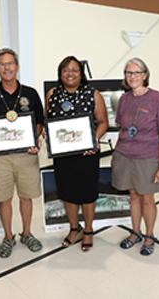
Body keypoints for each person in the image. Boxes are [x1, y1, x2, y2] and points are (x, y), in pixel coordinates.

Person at [0, 48, 44, 258]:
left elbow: (40, 122)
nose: (7, 68)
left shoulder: (30, 93)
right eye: (2, 64)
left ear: (17, 66)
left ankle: (26, 233)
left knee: (26, 197)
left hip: (27, 155)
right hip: (0, 158)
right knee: (3, 199)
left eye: (10, 63)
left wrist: (35, 140)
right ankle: (8, 237)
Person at [45, 56, 108, 251]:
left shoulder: (92, 93)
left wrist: (94, 140)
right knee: (67, 192)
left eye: (75, 70)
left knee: (87, 193)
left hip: (87, 153)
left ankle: (88, 230)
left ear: (81, 73)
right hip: (63, 155)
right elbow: (49, 122)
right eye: (66, 70)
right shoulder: (52, 94)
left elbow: (103, 122)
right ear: (60, 73)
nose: (70, 73)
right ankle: (74, 228)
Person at [111, 58, 159, 256]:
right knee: (133, 196)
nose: (132, 76)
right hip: (125, 155)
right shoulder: (124, 99)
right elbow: (122, 126)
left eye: (136, 73)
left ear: (145, 75)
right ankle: (135, 232)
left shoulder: (157, 99)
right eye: (128, 73)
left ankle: (149, 235)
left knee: (147, 198)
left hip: (148, 157)